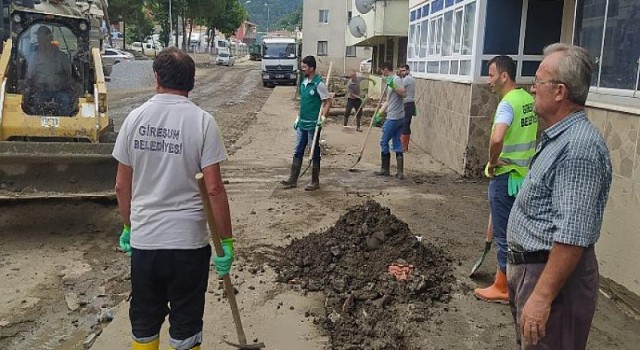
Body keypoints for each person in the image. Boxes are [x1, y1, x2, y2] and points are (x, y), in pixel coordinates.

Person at [113, 47, 234, 350]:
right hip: (188, 246)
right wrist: (226, 242)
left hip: (146, 243)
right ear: (192, 82)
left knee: (144, 323)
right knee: (186, 324)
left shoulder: (134, 119)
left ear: (156, 77)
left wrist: (129, 227)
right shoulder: (203, 122)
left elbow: (120, 186)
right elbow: (215, 188)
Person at [506, 43, 611, 349]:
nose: (532, 88)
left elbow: (572, 235)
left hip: (553, 283)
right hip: (534, 272)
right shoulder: (559, 137)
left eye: (539, 81)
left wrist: (541, 296)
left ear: (560, 91)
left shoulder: (578, 148)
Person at [474, 55, 537, 304]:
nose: (488, 81)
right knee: (517, 232)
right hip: (523, 177)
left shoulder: (507, 103)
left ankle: (503, 286)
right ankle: (520, 282)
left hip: (505, 177)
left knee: (503, 235)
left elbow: (498, 137)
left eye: (491, 75)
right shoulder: (527, 99)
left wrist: (492, 161)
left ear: (503, 75)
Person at [281, 55, 332, 191]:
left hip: (313, 124)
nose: (302, 69)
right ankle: (293, 179)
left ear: (311, 68)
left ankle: (315, 181)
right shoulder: (303, 82)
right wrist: (298, 117)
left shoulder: (318, 84)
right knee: (298, 151)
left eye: (304, 67)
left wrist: (323, 118)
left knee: (313, 152)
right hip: (302, 123)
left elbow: (327, 102)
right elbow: (303, 103)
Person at [26, 25, 74, 115]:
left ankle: (65, 125)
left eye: (43, 39)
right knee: (37, 101)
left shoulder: (62, 57)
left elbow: (68, 75)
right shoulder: (34, 57)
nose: (41, 41)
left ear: (50, 39)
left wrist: (67, 84)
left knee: (65, 101)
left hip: (59, 90)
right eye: (39, 38)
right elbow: (29, 75)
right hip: (41, 90)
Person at [373, 61, 406, 179]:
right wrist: (379, 114)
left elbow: (403, 93)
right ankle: (400, 172)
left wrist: (393, 84)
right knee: (396, 141)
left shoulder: (395, 80)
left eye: (382, 71)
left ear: (386, 69)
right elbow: (388, 101)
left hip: (394, 117)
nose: (382, 74)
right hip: (398, 116)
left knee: (384, 141)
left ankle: (384, 169)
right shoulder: (391, 81)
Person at [398, 64, 415, 152]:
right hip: (408, 104)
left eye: (403, 70)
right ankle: (404, 146)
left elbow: (399, 88)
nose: (402, 72)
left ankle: (403, 146)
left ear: (408, 71)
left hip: (407, 104)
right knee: (406, 125)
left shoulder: (407, 79)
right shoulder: (408, 79)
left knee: (404, 124)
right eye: (400, 70)